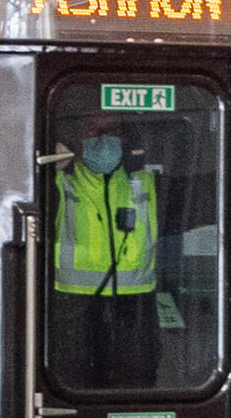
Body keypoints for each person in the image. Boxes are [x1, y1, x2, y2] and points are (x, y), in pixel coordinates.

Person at [52, 130, 161, 387]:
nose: (101, 142)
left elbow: (205, 195)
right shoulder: (59, 183)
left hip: (134, 308)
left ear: (124, 140)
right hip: (72, 307)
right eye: (92, 131)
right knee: (72, 386)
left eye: (110, 132)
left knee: (133, 388)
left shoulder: (146, 182)